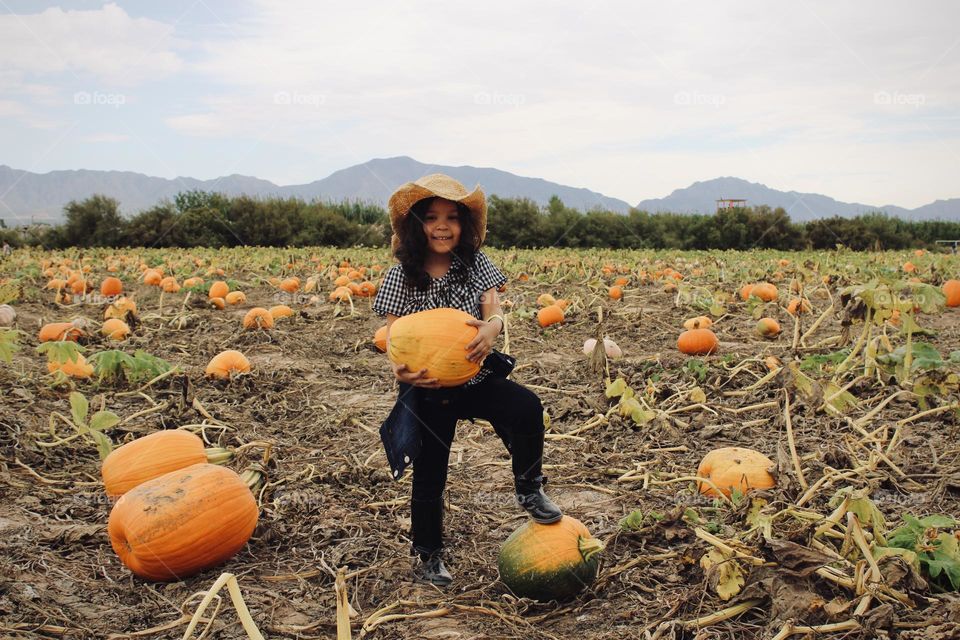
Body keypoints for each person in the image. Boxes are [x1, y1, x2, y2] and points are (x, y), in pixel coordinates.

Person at [373, 174, 562, 587]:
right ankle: (428, 554)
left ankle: (529, 486)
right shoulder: (398, 278)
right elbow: (394, 340)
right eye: (433, 217)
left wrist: (492, 328)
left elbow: (494, 310)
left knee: (527, 407)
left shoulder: (475, 266)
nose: (443, 226)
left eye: (452, 217)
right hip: (427, 389)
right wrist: (399, 371)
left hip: (473, 379)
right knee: (430, 476)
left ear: (465, 225)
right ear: (415, 225)